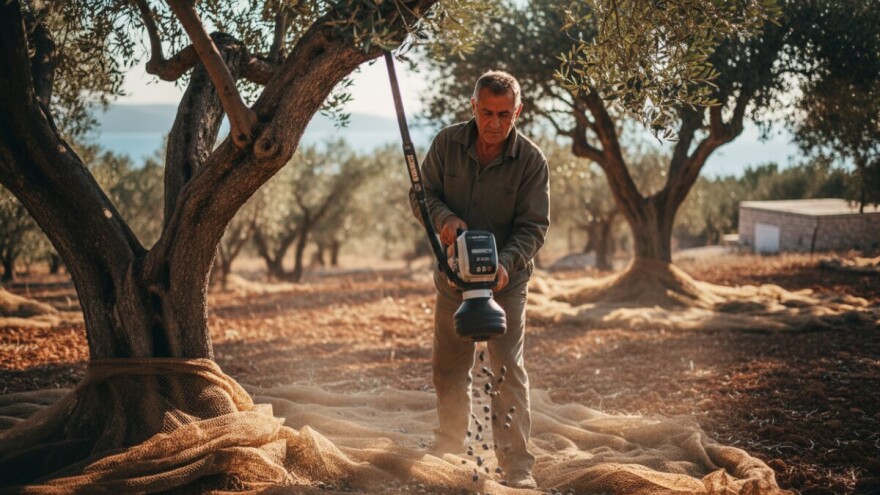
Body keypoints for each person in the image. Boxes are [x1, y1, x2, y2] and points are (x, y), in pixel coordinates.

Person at [410, 71, 550, 489]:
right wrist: (443, 218)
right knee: (449, 367)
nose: (494, 123)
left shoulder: (531, 161)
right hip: (453, 278)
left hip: (507, 282)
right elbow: (422, 195)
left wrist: (504, 263)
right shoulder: (446, 144)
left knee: (507, 368)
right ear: (473, 106)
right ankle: (450, 447)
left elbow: (534, 226)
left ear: (517, 112)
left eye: (504, 114)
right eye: (486, 112)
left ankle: (518, 466)